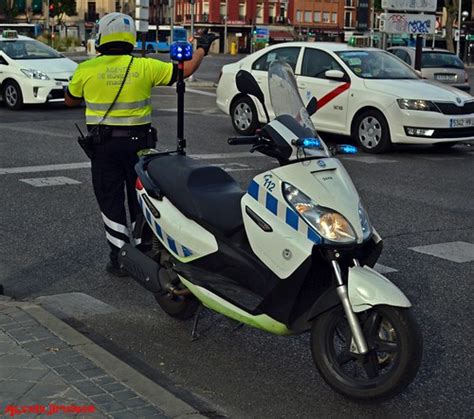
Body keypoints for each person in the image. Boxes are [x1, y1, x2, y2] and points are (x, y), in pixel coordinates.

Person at [65, 13, 217, 276]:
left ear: (101, 37)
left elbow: (70, 100)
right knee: (140, 197)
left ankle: (120, 258)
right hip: (139, 146)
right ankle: (144, 250)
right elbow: (186, 69)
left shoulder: (86, 69)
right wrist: (202, 46)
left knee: (110, 201)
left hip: (104, 148)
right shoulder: (144, 67)